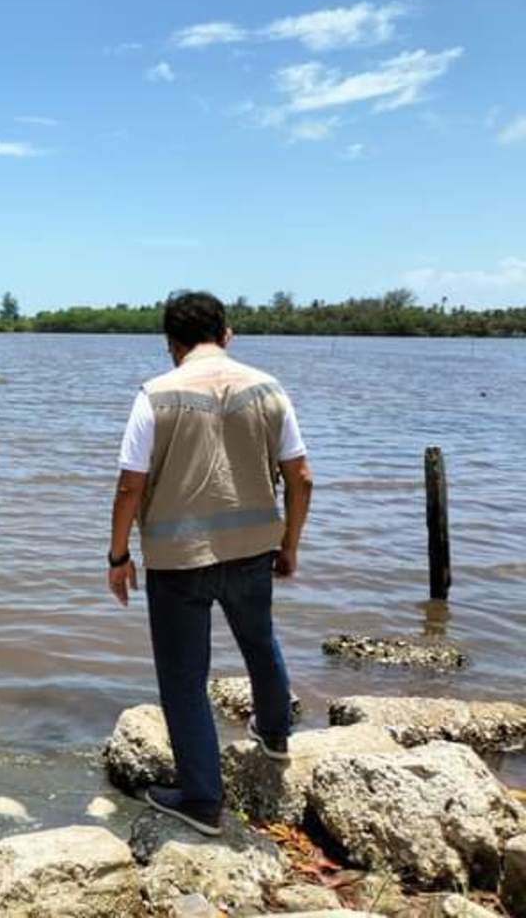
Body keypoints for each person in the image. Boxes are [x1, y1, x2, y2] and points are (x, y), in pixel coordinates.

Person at [106, 291, 314, 836]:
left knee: (183, 677)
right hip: (253, 549)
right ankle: (275, 735)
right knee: (260, 642)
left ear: (171, 344)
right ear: (227, 334)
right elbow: (301, 477)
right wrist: (290, 543)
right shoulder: (269, 389)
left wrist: (118, 555)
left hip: (178, 560)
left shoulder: (155, 395)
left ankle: (201, 798)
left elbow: (129, 485)